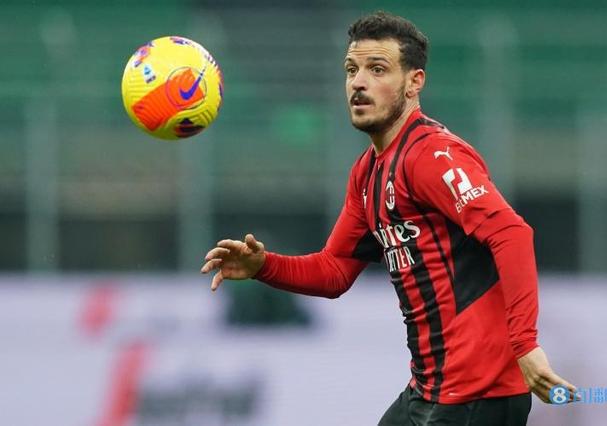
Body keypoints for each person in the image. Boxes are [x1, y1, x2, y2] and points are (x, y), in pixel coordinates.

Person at [201, 11, 576, 425]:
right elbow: (334, 270)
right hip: (429, 389)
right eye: (351, 70)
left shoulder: (432, 155)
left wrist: (525, 344)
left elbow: (511, 233)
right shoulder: (367, 172)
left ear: (414, 82)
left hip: (477, 395)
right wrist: (263, 266)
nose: (358, 83)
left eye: (377, 69)